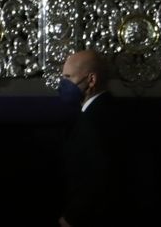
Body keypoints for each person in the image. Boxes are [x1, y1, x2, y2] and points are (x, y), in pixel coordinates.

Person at [57, 49, 151, 227]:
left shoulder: (95, 121)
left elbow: (97, 179)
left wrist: (71, 218)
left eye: (68, 77)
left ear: (91, 80)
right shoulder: (110, 111)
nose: (63, 84)